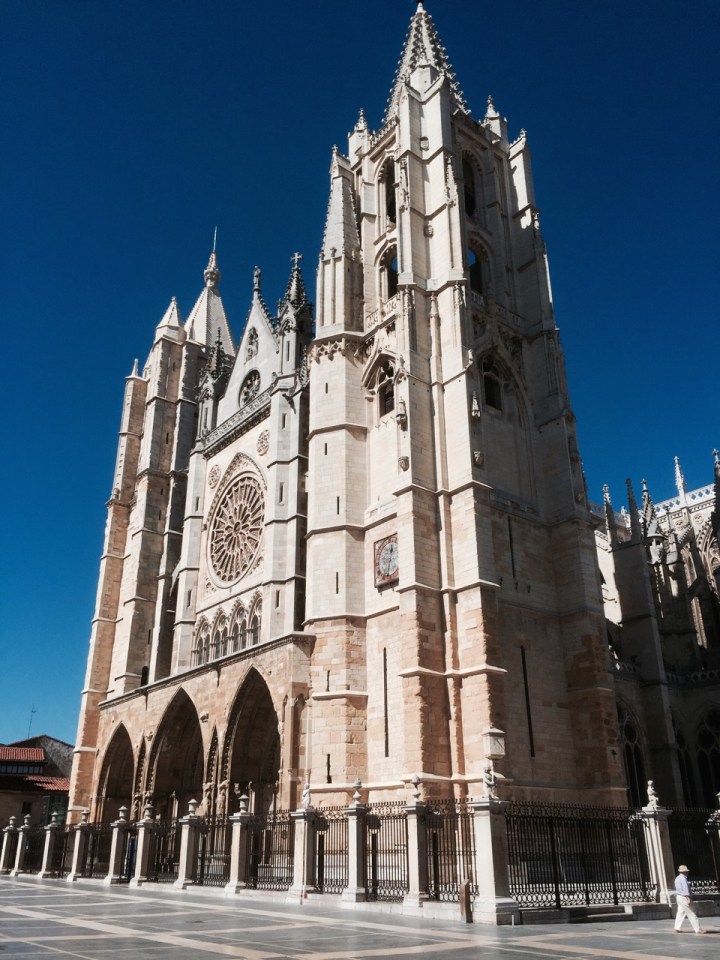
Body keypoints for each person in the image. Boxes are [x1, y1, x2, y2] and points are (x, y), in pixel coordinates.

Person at [674, 865, 704, 934]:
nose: (687, 872)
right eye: (686, 871)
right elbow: (685, 889)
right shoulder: (683, 879)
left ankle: (677, 927)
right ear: (684, 872)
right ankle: (698, 929)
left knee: (680, 913)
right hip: (684, 897)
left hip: (678, 897)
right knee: (691, 913)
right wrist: (688, 898)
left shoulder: (677, 878)